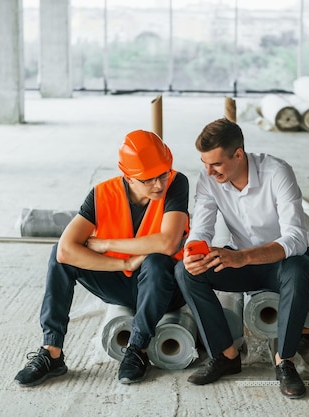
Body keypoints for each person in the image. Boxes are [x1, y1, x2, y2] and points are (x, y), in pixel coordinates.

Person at [14, 130, 189, 387]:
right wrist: (124, 263)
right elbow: (66, 250)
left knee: (157, 260)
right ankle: (52, 352)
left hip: (165, 288)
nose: (159, 185)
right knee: (58, 257)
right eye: (148, 180)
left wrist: (107, 244)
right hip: (121, 281)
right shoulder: (101, 195)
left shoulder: (176, 183)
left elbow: (168, 242)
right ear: (128, 177)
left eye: (162, 175)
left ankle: (137, 350)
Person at [175, 118, 309, 399]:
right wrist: (193, 252)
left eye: (215, 164)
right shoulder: (209, 179)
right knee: (184, 272)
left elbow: (296, 238)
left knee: (300, 269)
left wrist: (242, 257)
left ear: (238, 154)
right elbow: (201, 228)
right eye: (204, 163)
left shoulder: (277, 172)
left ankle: (284, 361)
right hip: (239, 259)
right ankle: (226, 356)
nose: (209, 171)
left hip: (281, 263)